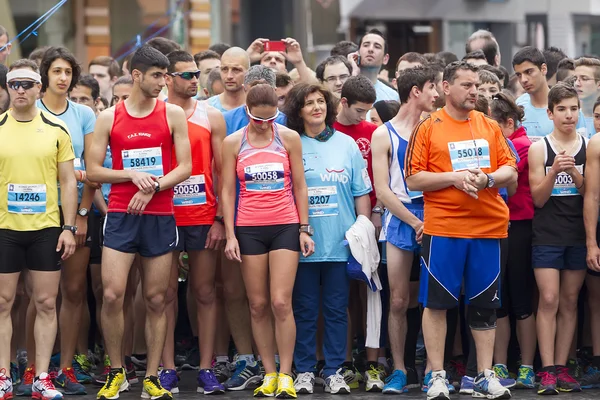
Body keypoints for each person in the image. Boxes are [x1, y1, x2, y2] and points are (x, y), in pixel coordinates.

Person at [405, 61, 517, 400]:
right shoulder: (428, 127)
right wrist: (454, 178)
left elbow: (510, 168)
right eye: (467, 85)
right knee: (438, 304)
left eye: (476, 86)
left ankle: (483, 375)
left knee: (485, 305)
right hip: (445, 229)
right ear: (445, 87)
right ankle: (437, 375)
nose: (474, 91)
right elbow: (413, 178)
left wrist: (487, 179)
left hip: (490, 228)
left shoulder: (488, 125)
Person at [86, 45, 192, 400]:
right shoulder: (109, 117)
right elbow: (95, 171)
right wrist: (132, 174)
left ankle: (152, 376)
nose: (164, 82)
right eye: (157, 76)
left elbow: (185, 167)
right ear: (136, 76)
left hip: (160, 216)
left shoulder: (173, 114)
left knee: (156, 298)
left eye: (166, 76)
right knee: (113, 294)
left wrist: (154, 187)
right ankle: (116, 371)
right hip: (120, 214)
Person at [222, 83, 314, 398]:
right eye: (258, 119)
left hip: (285, 224)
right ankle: (269, 372)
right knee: (258, 304)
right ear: (247, 113)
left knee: (280, 301)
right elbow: (227, 191)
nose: (265, 125)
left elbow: (300, 185)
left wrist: (304, 227)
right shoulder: (233, 142)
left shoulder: (288, 138)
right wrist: (231, 234)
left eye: (270, 118)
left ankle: (286, 373)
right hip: (248, 227)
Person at [283, 83, 372, 395]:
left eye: (321, 101)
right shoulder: (290, 143)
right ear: (298, 110)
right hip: (304, 243)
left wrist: (362, 232)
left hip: (340, 244)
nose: (317, 107)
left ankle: (334, 370)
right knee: (304, 310)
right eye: (309, 103)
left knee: (336, 310)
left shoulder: (347, 145)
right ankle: (305, 370)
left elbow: (361, 194)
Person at [0, 58, 77, 400]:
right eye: (13, 83)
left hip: (46, 228)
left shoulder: (57, 130)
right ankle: (3, 375)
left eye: (26, 84)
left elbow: (68, 182)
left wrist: (69, 227)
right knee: (3, 302)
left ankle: (42, 377)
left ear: (38, 89)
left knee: (46, 302)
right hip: (5, 228)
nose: (19, 90)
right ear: (6, 88)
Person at [162, 50, 227, 395]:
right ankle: (167, 367)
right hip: (163, 214)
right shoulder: (156, 113)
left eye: (195, 74)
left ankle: (206, 367)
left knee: (204, 291)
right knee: (166, 293)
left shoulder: (211, 115)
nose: (193, 80)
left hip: (202, 214)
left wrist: (219, 218)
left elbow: (221, 171)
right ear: (168, 78)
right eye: (186, 75)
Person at [371, 66, 439, 394]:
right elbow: (382, 190)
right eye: (431, 88)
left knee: (431, 299)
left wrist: (427, 219)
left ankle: (431, 369)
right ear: (415, 91)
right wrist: (414, 222)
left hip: (436, 215)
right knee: (398, 300)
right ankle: (398, 369)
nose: (436, 94)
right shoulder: (383, 133)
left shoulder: (435, 127)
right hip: (401, 218)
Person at [36, 46, 97, 394]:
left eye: (68, 72)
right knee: (39, 296)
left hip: (75, 213)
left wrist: (82, 215)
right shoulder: (30, 111)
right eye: (57, 71)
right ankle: (33, 366)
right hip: (35, 214)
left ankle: (66, 368)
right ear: (45, 75)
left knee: (74, 291)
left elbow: (92, 172)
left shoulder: (84, 115)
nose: (63, 78)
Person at [528, 82, 586, 395]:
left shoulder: (589, 145)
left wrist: (576, 173)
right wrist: (554, 171)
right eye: (561, 109)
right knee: (548, 299)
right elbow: (537, 198)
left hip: (577, 232)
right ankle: (546, 368)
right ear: (550, 113)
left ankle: (562, 367)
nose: (568, 115)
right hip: (547, 233)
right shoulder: (540, 147)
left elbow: (592, 194)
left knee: (570, 300)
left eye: (574, 109)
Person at [489, 93, 537, 389]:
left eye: (493, 126)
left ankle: (527, 366)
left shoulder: (520, 145)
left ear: (508, 123)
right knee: (500, 301)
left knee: (519, 299)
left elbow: (503, 179)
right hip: (497, 227)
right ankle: (499, 365)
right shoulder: (505, 143)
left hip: (519, 227)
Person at [582, 97, 600, 389]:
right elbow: (592, 195)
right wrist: (591, 242)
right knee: (596, 299)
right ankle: (597, 359)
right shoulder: (596, 144)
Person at [223, 66, 287, 135]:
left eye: (264, 93)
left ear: (274, 91)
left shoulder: (285, 121)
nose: (258, 99)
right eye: (253, 94)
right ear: (244, 89)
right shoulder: (227, 120)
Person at [353, 29, 399, 102]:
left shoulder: (392, 97)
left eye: (377, 47)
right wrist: (353, 73)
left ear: (385, 59)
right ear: (357, 53)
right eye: (366, 45)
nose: (370, 49)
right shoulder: (342, 87)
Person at [207, 47, 250, 113]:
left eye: (236, 70)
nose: (229, 76)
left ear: (248, 72)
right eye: (224, 69)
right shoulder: (207, 107)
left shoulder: (256, 107)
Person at [574, 57, 600, 137]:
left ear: (599, 84)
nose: (577, 84)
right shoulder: (570, 117)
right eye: (575, 79)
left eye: (584, 79)